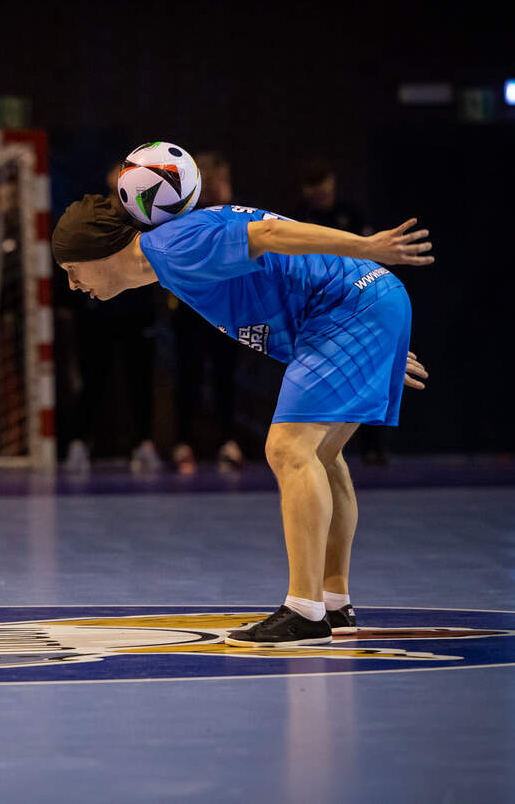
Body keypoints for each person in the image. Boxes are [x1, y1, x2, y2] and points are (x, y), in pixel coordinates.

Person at [53, 194, 431, 647]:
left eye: (72, 269)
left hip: (348, 306)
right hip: (359, 304)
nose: (72, 284)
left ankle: (304, 612)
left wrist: (366, 246)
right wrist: (375, 342)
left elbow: (269, 233)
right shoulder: (171, 257)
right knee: (324, 454)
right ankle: (334, 604)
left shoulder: (171, 248)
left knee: (289, 448)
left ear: (99, 251)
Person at [63, 163, 161, 475]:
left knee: (140, 380)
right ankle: (78, 443)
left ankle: (144, 444)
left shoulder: (149, 217)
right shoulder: (96, 216)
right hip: (100, 316)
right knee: (92, 380)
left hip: (137, 313)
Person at [295, 159, 388, 466]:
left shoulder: (352, 214)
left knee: (365, 373)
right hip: (319, 310)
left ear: (332, 182)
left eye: (323, 184)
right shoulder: (300, 219)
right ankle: (322, 446)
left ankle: (372, 446)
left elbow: (370, 256)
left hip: (356, 304)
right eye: (313, 187)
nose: (320, 192)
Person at [170, 151, 248, 474]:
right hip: (192, 308)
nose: (216, 185)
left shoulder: (235, 213)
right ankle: (183, 443)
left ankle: (227, 441)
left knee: (225, 376)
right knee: (189, 374)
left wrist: (226, 202)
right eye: (211, 179)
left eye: (221, 179)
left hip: (227, 308)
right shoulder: (184, 215)